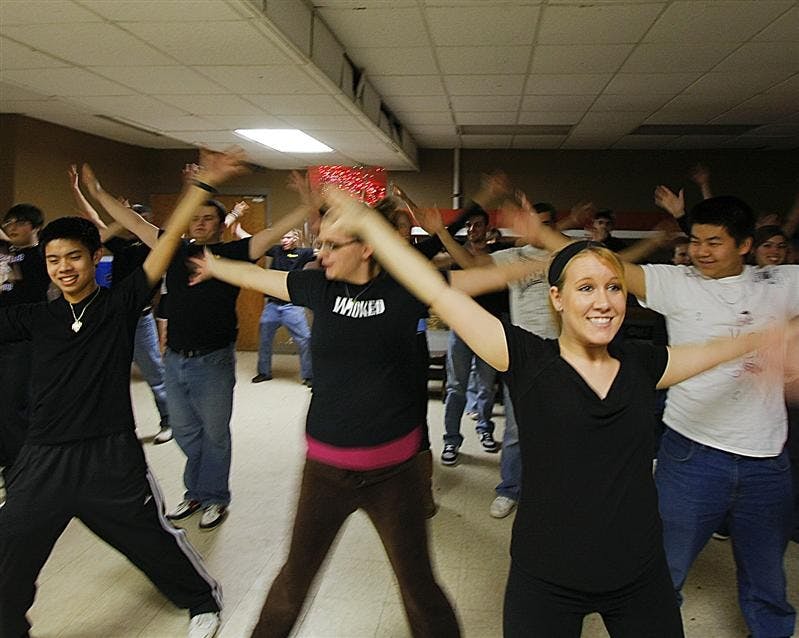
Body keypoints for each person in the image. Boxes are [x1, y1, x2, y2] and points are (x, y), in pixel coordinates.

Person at [318, 187, 793, 637]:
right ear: (557, 299)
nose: (604, 302)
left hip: (638, 574)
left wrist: (763, 339)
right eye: (586, 288)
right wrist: (368, 224)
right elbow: (435, 290)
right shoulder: (528, 359)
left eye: (613, 287)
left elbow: (713, 351)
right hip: (545, 578)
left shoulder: (644, 364)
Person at [0, 147, 249, 638]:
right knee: (10, 549)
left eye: (74, 256)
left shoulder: (119, 306)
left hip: (109, 455)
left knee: (149, 540)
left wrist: (203, 185)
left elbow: (168, 241)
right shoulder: (34, 318)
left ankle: (202, 600)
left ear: (96, 257)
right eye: (53, 260)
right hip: (43, 457)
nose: (63, 268)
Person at [190, 206, 461, 638]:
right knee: (292, 583)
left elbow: (475, 280)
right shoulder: (319, 287)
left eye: (333, 245)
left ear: (367, 247)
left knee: (419, 590)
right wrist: (214, 264)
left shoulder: (405, 289)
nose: (322, 254)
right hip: (325, 472)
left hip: (395, 474)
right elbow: (260, 278)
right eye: (321, 244)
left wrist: (538, 261)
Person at [80, 174, 310, 531]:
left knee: (215, 433)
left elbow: (270, 232)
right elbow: (133, 223)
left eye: (208, 219)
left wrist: (308, 203)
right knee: (186, 431)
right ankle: (201, 489)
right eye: (196, 218)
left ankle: (212, 495)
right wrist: (96, 192)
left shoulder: (233, 252)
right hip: (175, 359)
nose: (200, 224)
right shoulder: (173, 249)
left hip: (214, 359)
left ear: (220, 225)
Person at [618, 196, 799, 638]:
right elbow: (607, 270)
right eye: (695, 240)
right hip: (691, 456)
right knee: (663, 569)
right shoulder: (678, 282)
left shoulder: (780, 282)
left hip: (767, 461)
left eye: (714, 242)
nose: (701, 251)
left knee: (768, 579)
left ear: (745, 245)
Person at [68, 167, 173, 444]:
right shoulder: (120, 243)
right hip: (113, 317)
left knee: (154, 372)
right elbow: (93, 219)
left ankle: (168, 419)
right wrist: (78, 190)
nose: (134, 220)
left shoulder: (156, 245)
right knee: (108, 373)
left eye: (139, 217)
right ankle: (112, 427)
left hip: (141, 318)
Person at [0, 204, 50, 481]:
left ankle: (21, 469)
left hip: (24, 341)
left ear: (34, 227)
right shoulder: (7, 254)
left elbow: (18, 275)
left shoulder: (41, 255)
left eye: (19, 222)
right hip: (3, 335)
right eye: (9, 222)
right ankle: (8, 457)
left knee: (13, 405)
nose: (12, 226)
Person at [252, 228, 315, 386]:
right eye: (282, 238)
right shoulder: (276, 251)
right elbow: (255, 243)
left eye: (288, 237)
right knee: (264, 339)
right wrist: (238, 229)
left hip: (292, 306)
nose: (284, 240)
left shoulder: (303, 253)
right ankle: (264, 372)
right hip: (272, 306)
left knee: (305, 339)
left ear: (295, 238)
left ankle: (309, 376)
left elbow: (323, 253)